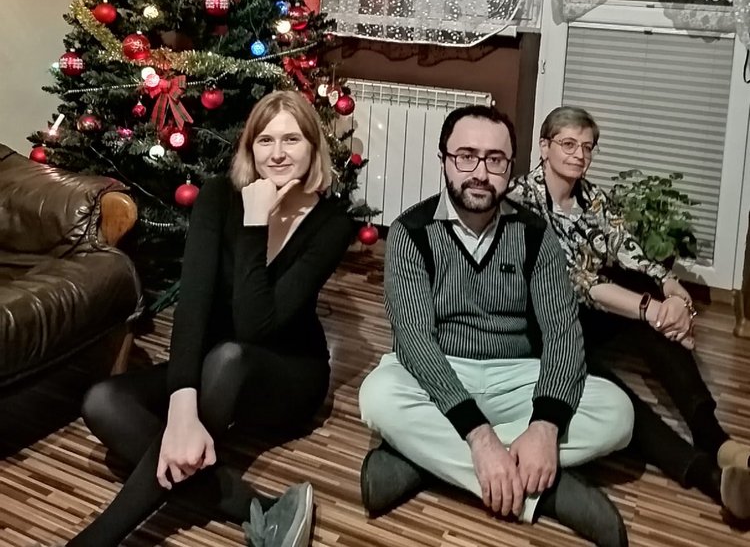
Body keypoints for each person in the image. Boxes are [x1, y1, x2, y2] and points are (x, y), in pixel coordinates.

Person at [66, 90, 354, 547]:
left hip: (285, 374)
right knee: (102, 400)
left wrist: (257, 223)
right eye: (266, 141)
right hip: (216, 365)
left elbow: (256, 326)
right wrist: (182, 407)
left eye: (292, 140)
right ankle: (258, 507)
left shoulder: (333, 221)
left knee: (229, 357)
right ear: (250, 147)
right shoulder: (219, 196)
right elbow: (194, 303)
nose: (277, 154)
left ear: (314, 148)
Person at [359, 104, 635, 547]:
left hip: (517, 376)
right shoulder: (410, 232)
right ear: (444, 160)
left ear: (511, 167)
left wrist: (545, 425)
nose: (480, 173)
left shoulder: (533, 233)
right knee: (377, 396)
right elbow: (414, 342)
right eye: (465, 156)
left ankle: (422, 459)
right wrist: (480, 436)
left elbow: (563, 334)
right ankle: (539, 492)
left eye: (495, 160)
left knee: (618, 413)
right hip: (439, 370)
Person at [507, 105, 750, 521]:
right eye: (568, 144)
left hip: (589, 310)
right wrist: (652, 309)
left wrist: (669, 285)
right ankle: (711, 477)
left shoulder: (593, 197)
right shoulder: (522, 201)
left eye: (588, 147)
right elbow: (577, 281)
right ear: (544, 147)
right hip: (545, 325)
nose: (579, 155)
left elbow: (625, 246)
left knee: (647, 296)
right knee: (614, 391)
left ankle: (715, 436)